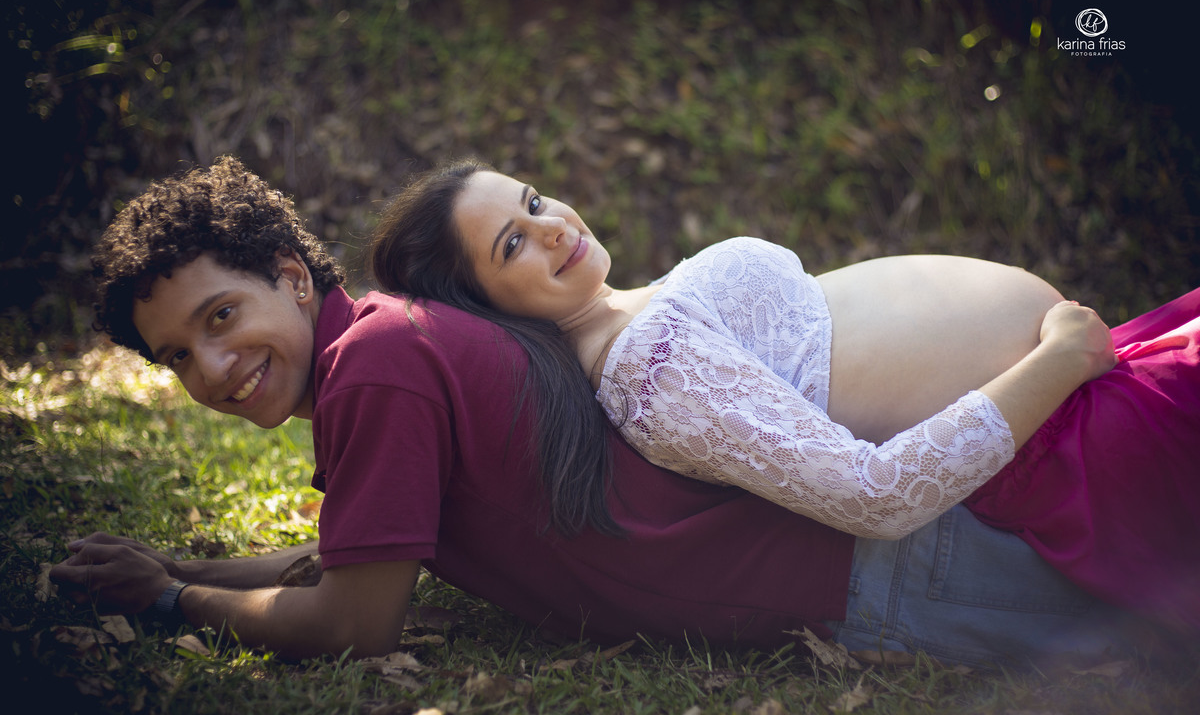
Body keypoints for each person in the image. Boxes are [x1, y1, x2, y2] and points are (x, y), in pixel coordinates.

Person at [48, 157, 1163, 669]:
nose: (215, 363)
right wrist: (220, 566)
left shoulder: (378, 364)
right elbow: (369, 552)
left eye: (223, 313)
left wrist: (173, 597)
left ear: (293, 274)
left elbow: (355, 619)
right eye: (178, 355)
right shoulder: (392, 346)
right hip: (888, 547)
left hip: (889, 567)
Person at [368, 159, 1200, 632]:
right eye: (515, 241)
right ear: (489, 308)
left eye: (534, 199)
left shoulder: (640, 311)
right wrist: (1060, 358)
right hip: (1076, 443)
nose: (553, 225)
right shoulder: (647, 373)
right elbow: (873, 496)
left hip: (1105, 380)